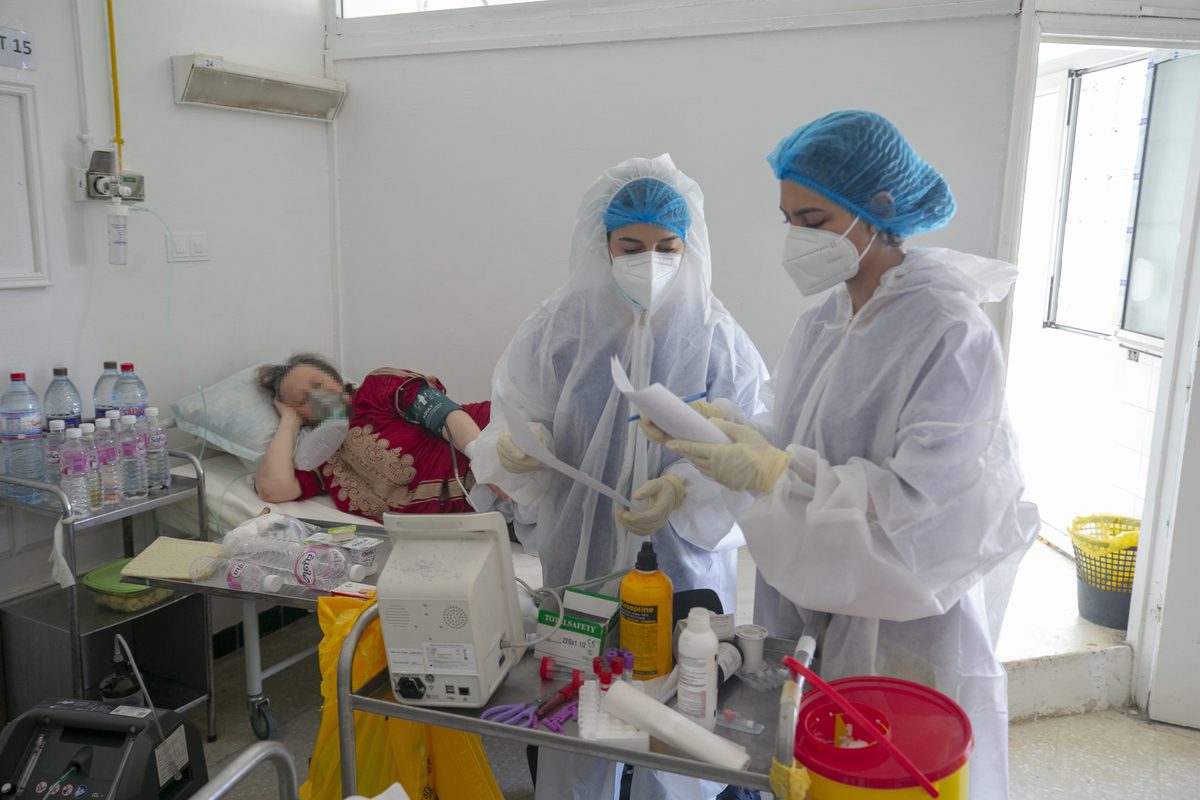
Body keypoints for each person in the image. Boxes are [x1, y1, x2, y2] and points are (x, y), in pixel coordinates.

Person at [659, 111, 1038, 800]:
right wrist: (725, 436)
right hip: (809, 599)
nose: (796, 240)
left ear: (880, 209)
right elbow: (798, 436)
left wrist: (778, 471)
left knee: (889, 776)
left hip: (902, 623)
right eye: (788, 219)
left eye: (814, 219)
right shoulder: (822, 322)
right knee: (807, 766)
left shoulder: (950, 330)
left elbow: (926, 507)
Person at [469, 155, 768, 800]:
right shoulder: (559, 323)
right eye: (631, 245)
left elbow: (750, 435)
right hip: (581, 548)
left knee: (682, 706)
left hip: (682, 558)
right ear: (601, 244)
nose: (650, 260)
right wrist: (521, 447)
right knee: (581, 703)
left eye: (667, 246)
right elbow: (514, 409)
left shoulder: (716, 331)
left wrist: (684, 486)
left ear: (688, 247)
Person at [254, 353, 493, 519]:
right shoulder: (321, 461)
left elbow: (441, 412)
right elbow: (273, 489)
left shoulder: (376, 389)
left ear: (335, 377)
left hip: (493, 442)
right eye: (303, 399)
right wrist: (289, 421)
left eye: (318, 383)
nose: (317, 397)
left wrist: (487, 461)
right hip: (485, 509)